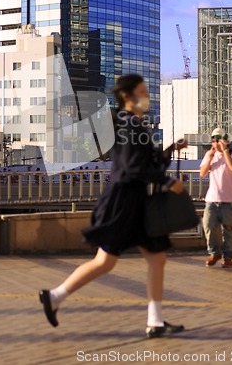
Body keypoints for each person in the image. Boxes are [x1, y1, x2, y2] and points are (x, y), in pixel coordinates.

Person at [39, 74, 187, 338]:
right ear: (126, 97)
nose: (147, 95)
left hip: (135, 201)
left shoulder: (134, 123)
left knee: (154, 257)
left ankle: (155, 321)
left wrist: (170, 151)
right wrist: (167, 182)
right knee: (107, 261)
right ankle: (55, 296)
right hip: (124, 203)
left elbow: (146, 164)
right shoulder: (127, 123)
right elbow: (132, 168)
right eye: (142, 91)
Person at [200, 128, 232, 268]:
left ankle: (228, 257)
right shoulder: (209, 154)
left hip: (229, 199)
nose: (215, 142)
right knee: (208, 225)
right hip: (212, 198)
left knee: (229, 230)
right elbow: (202, 173)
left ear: (226, 140)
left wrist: (224, 151)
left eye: (218, 139)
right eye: (213, 139)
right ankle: (214, 252)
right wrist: (211, 156)